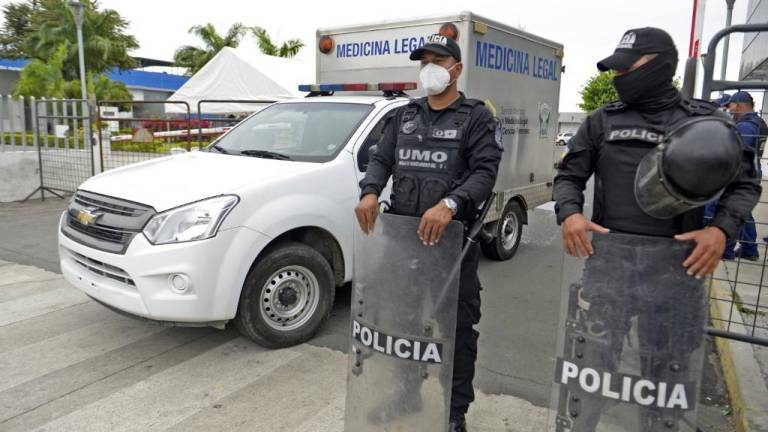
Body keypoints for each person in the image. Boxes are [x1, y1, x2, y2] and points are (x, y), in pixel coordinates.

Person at [553, 27, 761, 430]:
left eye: (628, 67)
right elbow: (569, 176)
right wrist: (569, 213)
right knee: (589, 371)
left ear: (661, 65)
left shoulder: (706, 123)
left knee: (664, 381)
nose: (620, 75)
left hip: (675, 273)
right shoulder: (602, 121)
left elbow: (745, 182)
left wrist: (721, 230)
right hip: (607, 268)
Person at [354, 33, 501, 432]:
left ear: (456, 68)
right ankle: (405, 395)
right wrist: (370, 191)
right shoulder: (405, 115)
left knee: (457, 332)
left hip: (452, 245)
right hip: (402, 242)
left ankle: (454, 413)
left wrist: (451, 203)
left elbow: (485, 172)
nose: (429, 68)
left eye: (438, 60)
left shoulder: (475, 116)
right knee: (401, 325)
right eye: (424, 61)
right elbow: (381, 159)